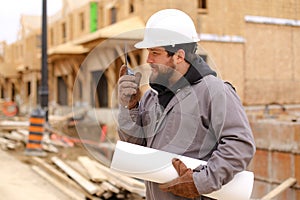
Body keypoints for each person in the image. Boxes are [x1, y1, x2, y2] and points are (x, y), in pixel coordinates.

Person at [117, 9, 255, 200]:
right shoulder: (151, 96)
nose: (148, 60)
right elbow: (136, 146)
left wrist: (200, 182)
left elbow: (240, 145)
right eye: (149, 52)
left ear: (179, 56)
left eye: (155, 53)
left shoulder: (214, 92)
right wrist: (130, 108)